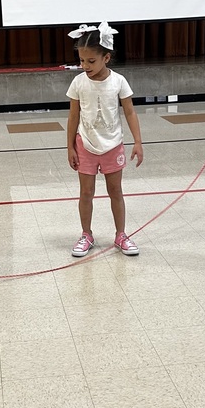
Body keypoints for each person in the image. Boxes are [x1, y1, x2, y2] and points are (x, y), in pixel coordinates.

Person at [66, 21, 144, 256]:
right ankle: (86, 234)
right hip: (85, 145)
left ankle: (121, 235)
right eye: (82, 61)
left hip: (113, 146)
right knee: (86, 193)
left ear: (106, 58)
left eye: (91, 61)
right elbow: (73, 115)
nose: (85, 66)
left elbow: (129, 111)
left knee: (115, 191)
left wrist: (138, 141)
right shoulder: (79, 82)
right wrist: (70, 146)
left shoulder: (118, 81)